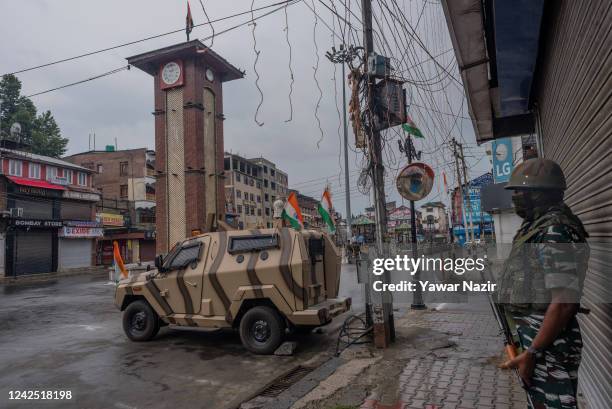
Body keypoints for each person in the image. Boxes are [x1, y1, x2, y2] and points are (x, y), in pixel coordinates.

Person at [497, 158, 589, 409]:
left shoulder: (555, 230)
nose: (515, 197)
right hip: (537, 341)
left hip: (548, 345)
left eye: (520, 191)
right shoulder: (537, 226)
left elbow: (564, 303)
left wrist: (533, 353)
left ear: (539, 194)